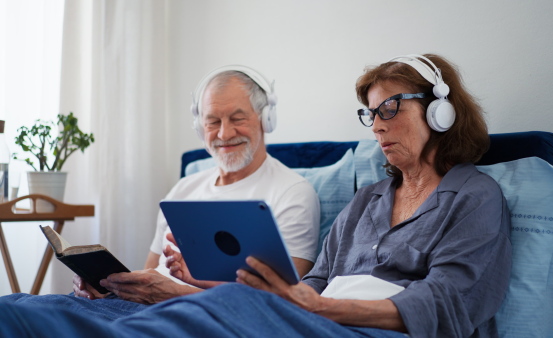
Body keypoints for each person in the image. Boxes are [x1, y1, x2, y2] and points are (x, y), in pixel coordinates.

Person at [0, 54, 511, 338]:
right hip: (304, 316)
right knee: (21, 307)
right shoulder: (368, 201)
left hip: (345, 326)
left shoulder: (475, 198)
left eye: (391, 108)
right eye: (371, 114)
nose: (377, 125)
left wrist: (311, 308)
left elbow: (448, 303)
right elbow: (308, 284)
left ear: (441, 111)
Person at [0, 66, 320, 313]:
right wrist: (111, 287)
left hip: (199, 315)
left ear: (266, 119)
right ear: (199, 127)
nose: (224, 133)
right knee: (15, 305)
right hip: (140, 307)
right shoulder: (183, 189)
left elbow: (282, 302)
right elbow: (151, 273)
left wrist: (174, 293)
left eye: (237, 118)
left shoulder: (292, 191)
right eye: (212, 122)